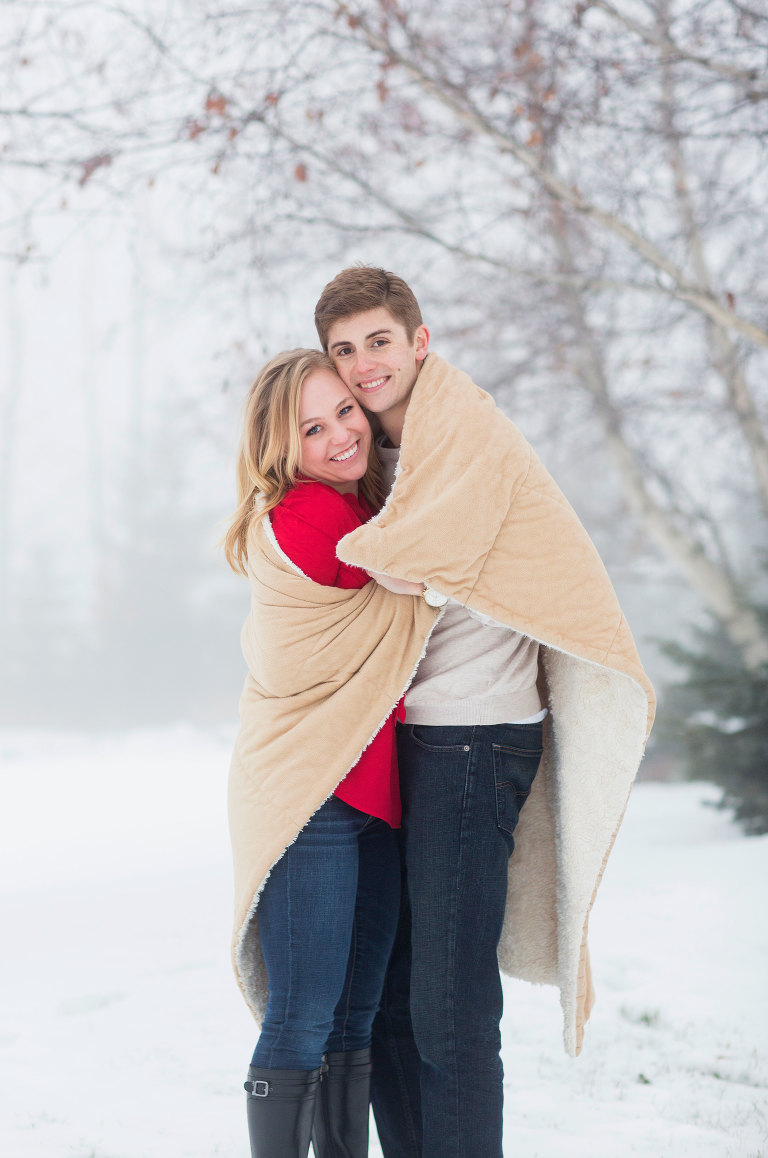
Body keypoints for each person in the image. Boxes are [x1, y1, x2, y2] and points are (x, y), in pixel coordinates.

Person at [313, 266, 656, 1158]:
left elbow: (408, 556)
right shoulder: (386, 453)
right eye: (344, 351)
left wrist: (322, 538)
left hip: (472, 741)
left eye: (379, 342)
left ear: (418, 342)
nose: (363, 365)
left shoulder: (462, 426)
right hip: (411, 741)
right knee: (388, 989)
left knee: (448, 1000)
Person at [223, 349, 430, 1158]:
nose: (342, 434)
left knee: (354, 1017)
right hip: (312, 800)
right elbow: (416, 568)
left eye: (347, 410)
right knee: (307, 1016)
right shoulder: (311, 513)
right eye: (313, 427)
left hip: (372, 797)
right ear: (282, 448)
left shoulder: (358, 504)